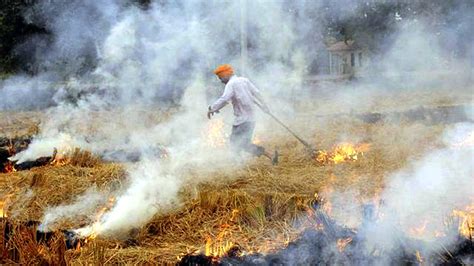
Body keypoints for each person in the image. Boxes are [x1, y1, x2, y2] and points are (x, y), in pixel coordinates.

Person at [207, 64, 278, 165]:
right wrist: (264, 106)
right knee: (237, 143)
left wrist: (212, 108)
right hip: (249, 120)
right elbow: (257, 93)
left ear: (226, 75)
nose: (221, 81)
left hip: (243, 121)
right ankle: (239, 163)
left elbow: (225, 99)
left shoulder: (231, 84)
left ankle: (268, 156)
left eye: (221, 78)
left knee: (240, 144)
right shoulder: (244, 80)